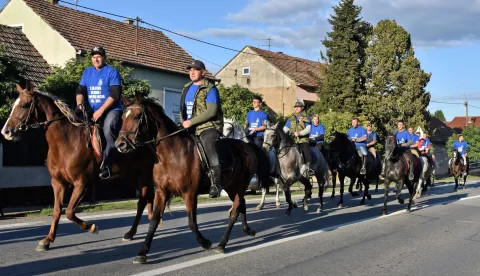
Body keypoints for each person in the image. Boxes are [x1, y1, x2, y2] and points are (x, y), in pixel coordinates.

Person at [75, 46, 122, 180]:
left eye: (99, 56)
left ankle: (109, 164)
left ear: (104, 58)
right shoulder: (87, 72)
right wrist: (79, 104)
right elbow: (80, 91)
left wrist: (101, 111)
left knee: (108, 130)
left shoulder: (112, 72)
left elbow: (115, 94)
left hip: (112, 110)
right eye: (94, 57)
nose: (96, 59)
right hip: (93, 111)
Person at [180, 60, 224, 198]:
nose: (192, 72)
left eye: (196, 69)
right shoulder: (186, 88)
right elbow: (182, 110)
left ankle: (216, 183)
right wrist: (183, 122)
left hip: (208, 126)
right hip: (189, 126)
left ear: (203, 71)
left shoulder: (210, 89)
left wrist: (191, 122)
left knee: (208, 144)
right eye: (190, 70)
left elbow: (211, 111)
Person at [283, 99, 313, 177]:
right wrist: (286, 133)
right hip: (292, 141)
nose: (296, 108)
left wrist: (300, 133)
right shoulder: (291, 118)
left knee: (307, 153)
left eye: (298, 107)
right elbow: (285, 128)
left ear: (302, 108)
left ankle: (308, 169)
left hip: (303, 140)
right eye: (295, 107)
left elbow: (308, 129)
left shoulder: (306, 117)